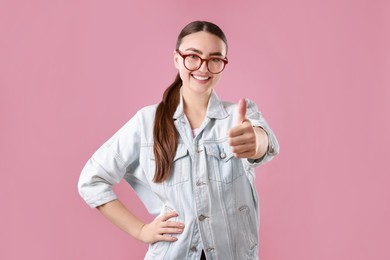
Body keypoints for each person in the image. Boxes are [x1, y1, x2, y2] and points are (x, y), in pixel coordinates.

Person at [78, 20, 279, 260]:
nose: (203, 68)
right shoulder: (146, 122)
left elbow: (265, 143)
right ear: (177, 59)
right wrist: (141, 231)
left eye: (215, 59)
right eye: (193, 56)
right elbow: (91, 180)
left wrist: (256, 141)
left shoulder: (239, 116)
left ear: (223, 65)